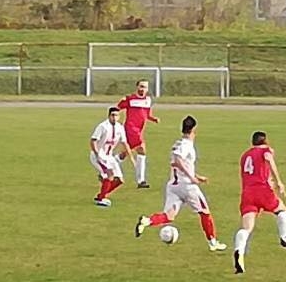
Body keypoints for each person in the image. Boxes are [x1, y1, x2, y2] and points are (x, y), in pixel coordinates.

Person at [134, 115, 227, 252]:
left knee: (169, 216)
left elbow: (180, 163)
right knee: (205, 212)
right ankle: (213, 242)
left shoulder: (177, 143)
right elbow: (178, 160)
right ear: (194, 130)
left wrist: (196, 176)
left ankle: (147, 221)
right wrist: (192, 178)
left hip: (174, 186)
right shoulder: (186, 145)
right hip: (187, 187)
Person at [232, 131, 286, 274]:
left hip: (247, 193)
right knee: (281, 209)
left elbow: (254, 171)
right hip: (262, 190)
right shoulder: (266, 150)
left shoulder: (245, 156)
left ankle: (239, 252)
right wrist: (279, 182)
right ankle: (285, 238)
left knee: (246, 227)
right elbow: (269, 160)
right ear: (266, 141)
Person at [116, 80, 159, 188]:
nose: (142, 89)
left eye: (145, 87)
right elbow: (118, 107)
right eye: (141, 86)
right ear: (137, 87)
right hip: (131, 129)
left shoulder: (148, 100)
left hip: (139, 130)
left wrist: (153, 119)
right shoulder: (131, 99)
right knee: (142, 150)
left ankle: (108, 167)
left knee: (124, 154)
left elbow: (146, 114)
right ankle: (141, 180)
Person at [89, 106, 130, 207]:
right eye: (112, 115)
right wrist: (97, 154)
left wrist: (126, 153)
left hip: (109, 157)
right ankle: (102, 199)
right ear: (109, 116)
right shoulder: (102, 126)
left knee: (120, 180)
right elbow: (93, 140)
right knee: (110, 174)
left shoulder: (120, 127)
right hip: (99, 156)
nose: (114, 117)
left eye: (116, 115)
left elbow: (124, 142)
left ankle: (101, 194)